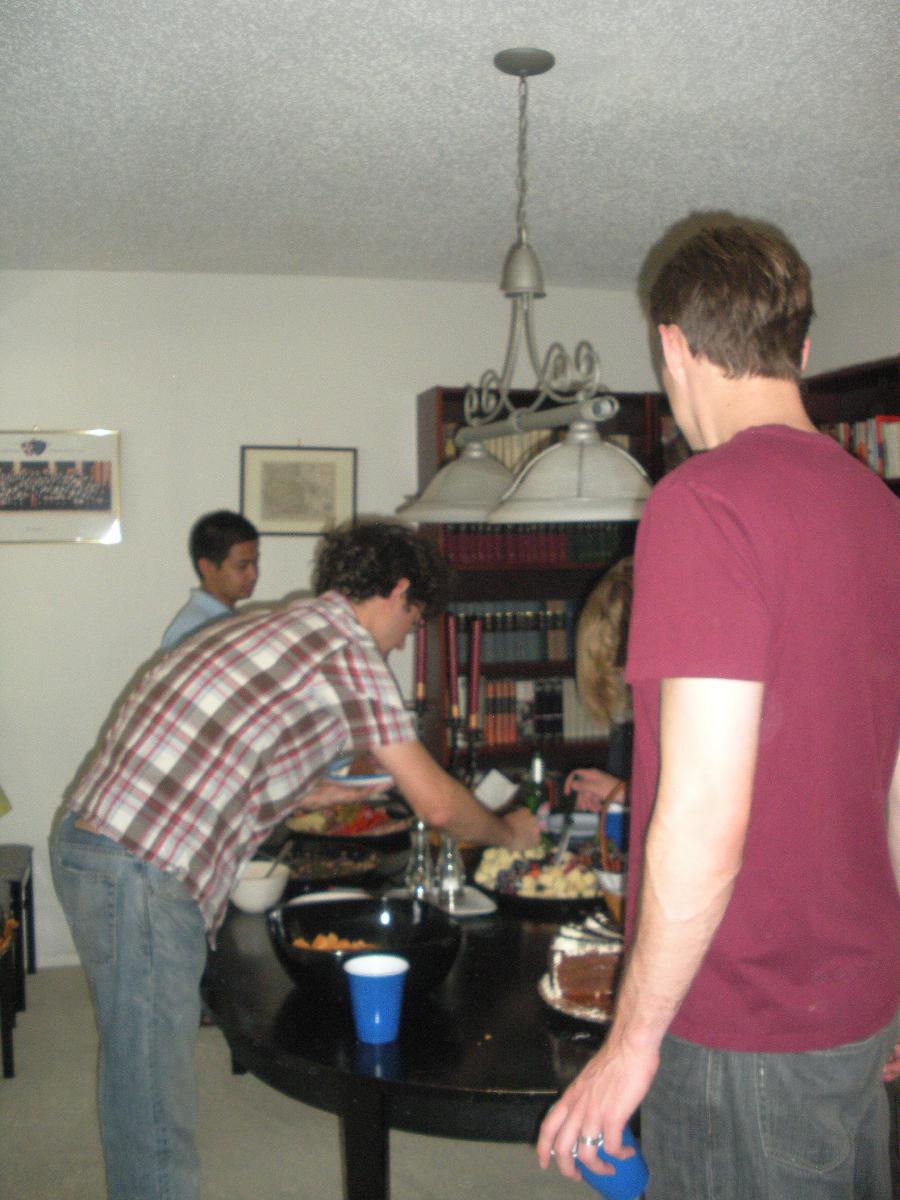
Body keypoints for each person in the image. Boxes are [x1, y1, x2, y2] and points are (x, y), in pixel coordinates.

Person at [538, 221, 900, 1198]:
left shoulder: (704, 501)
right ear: (802, 350)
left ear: (672, 345)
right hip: (856, 1002)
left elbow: (701, 812)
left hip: (747, 1020)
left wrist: (630, 1042)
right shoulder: (881, 511)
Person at [51, 519, 539, 1200]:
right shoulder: (347, 646)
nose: (408, 637)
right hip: (137, 863)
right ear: (399, 590)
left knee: (137, 1069)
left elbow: (229, 749)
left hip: (100, 842)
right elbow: (438, 806)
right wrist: (509, 832)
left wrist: (318, 791)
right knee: (150, 1094)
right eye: (415, 617)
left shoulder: (277, 624)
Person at [160, 509, 260, 650]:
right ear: (207, 567)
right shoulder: (193, 629)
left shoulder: (227, 618)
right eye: (242, 566)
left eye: (255, 562)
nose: (253, 575)